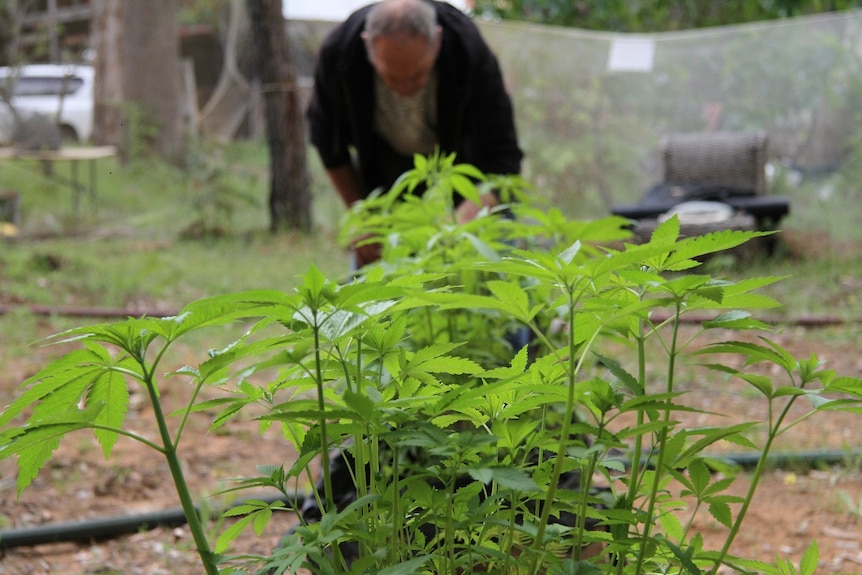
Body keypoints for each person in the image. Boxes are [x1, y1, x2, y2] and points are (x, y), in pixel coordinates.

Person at [306, 0, 523, 266]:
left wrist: (464, 221)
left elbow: (502, 160)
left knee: (492, 260)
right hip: (382, 169)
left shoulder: (468, 50)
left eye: (418, 76)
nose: (405, 89)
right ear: (367, 47)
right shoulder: (340, 54)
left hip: (466, 167)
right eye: (392, 78)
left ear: (438, 42)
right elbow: (329, 145)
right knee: (371, 276)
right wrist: (363, 217)